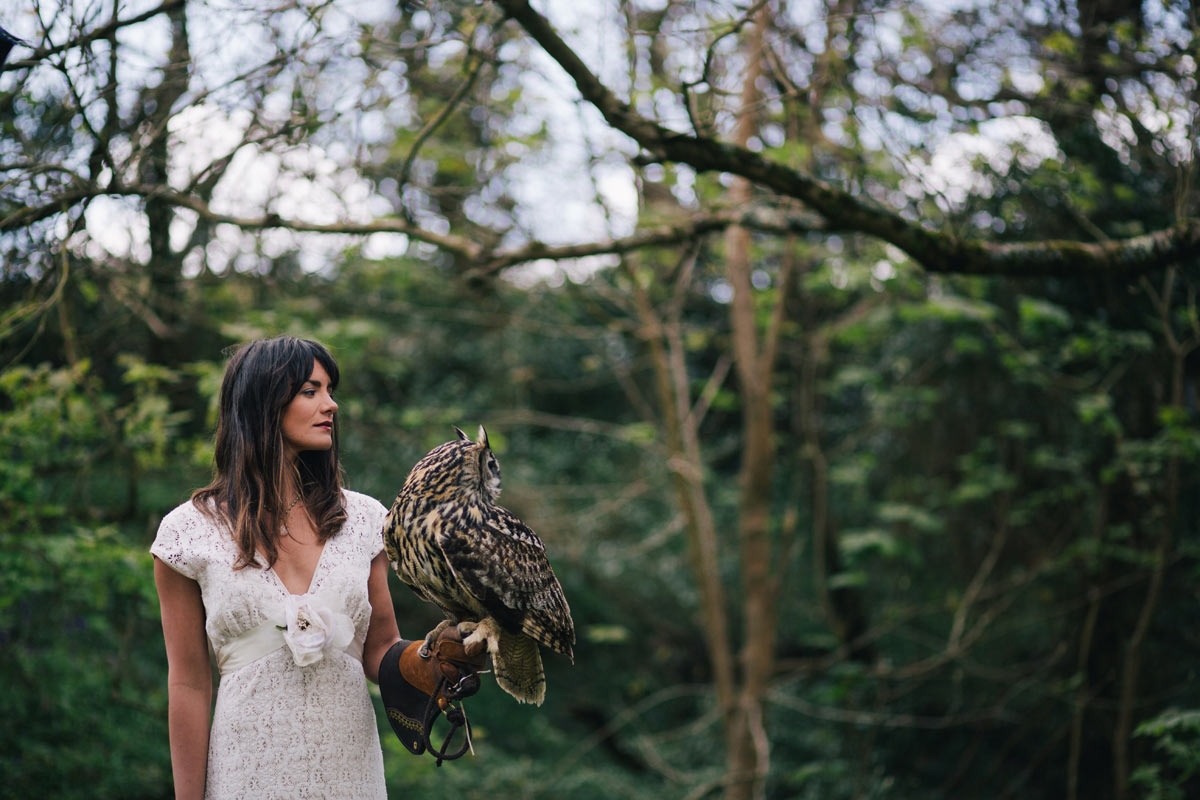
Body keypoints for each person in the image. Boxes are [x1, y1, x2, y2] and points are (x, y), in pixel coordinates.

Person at [152, 336, 477, 799]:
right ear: (263, 401)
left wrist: (433, 661)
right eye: (311, 391)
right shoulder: (189, 532)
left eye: (330, 389)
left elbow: (379, 648)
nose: (332, 405)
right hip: (246, 771)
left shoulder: (363, 520)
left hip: (350, 773)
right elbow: (188, 683)